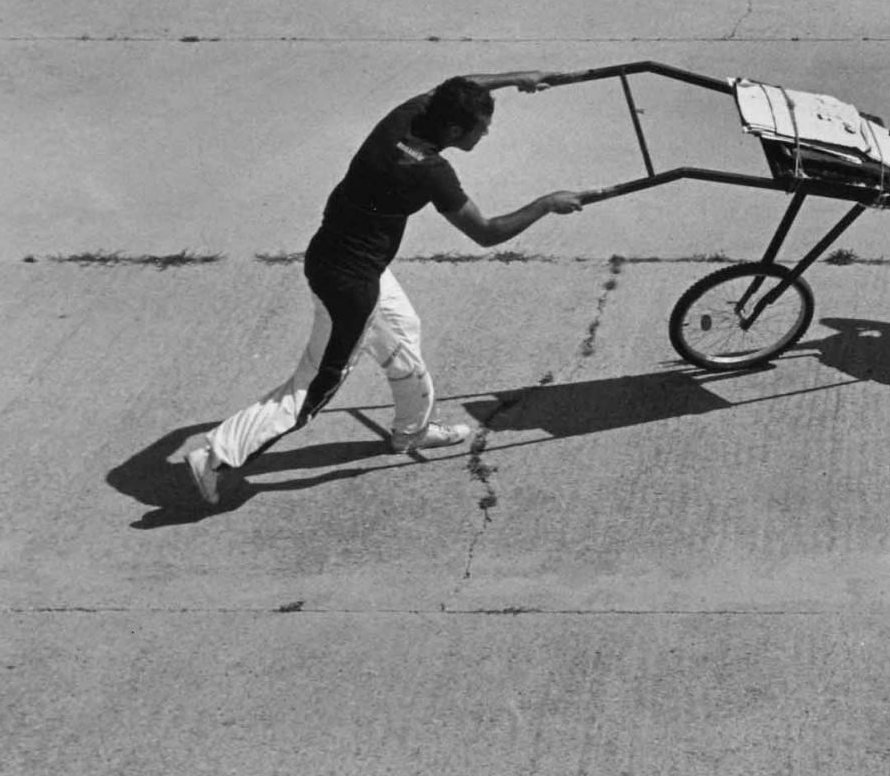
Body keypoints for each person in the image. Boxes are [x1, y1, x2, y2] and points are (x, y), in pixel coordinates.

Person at [185, 72, 589, 507]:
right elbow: (487, 233)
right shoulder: (431, 171)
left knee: (403, 330)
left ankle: (412, 431)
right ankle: (216, 455)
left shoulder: (408, 115)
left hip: (340, 258)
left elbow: (463, 83)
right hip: (350, 286)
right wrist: (547, 204)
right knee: (313, 387)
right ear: (453, 130)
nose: (487, 132)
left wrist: (517, 78)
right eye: (481, 127)